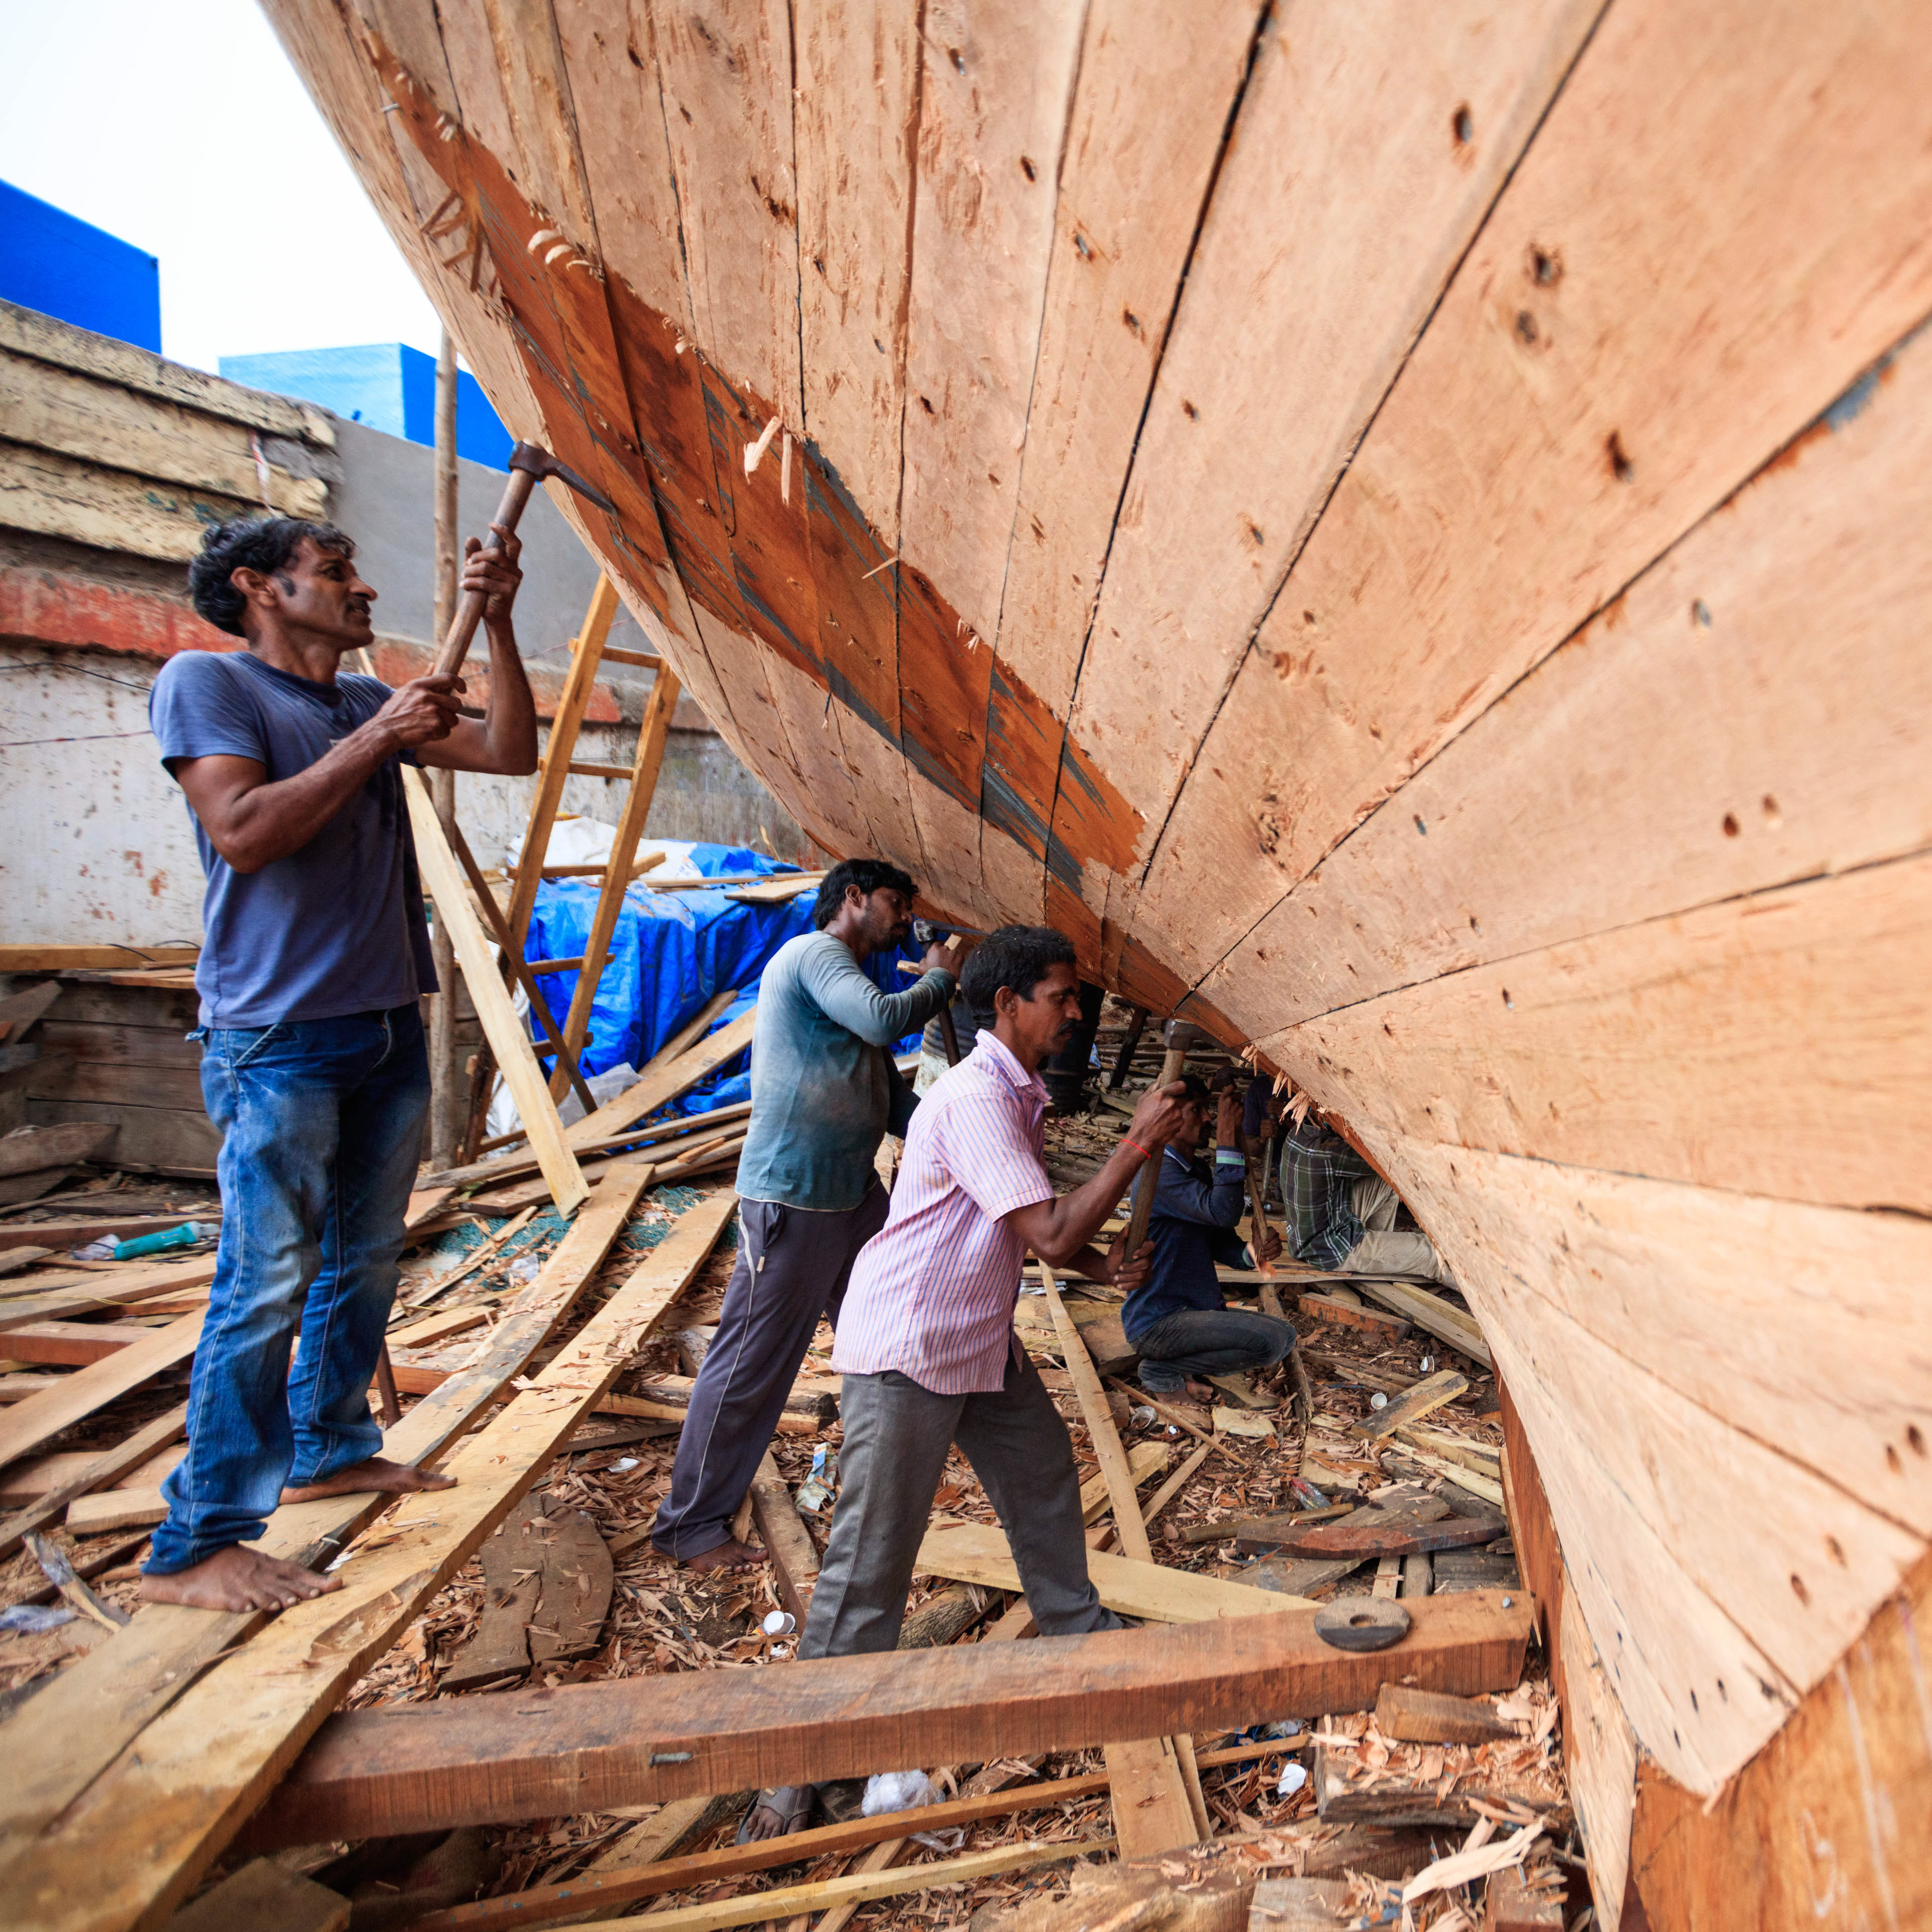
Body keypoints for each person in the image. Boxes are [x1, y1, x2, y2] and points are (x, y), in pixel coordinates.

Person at [142, 513, 540, 1614]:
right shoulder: (208, 684)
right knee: (266, 1277)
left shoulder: (364, 700)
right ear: (258, 588)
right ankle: (195, 1543)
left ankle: (326, 1446)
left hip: (383, 1023)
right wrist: (379, 738)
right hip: (277, 1035)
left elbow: (510, 751)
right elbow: (244, 831)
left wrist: (501, 624)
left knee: (362, 1257)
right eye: (334, 572)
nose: (361, 588)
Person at [737, 925, 1186, 1841]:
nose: (1075, 1011)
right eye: (1061, 996)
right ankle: (797, 1767)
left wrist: (1098, 1265)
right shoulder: (979, 1097)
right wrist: (1136, 1145)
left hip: (973, 1337)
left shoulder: (1016, 1094)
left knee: (1041, 1472)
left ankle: (1075, 1633)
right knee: (870, 1565)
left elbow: (1021, 1223)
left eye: (1075, 996)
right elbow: (1049, 1230)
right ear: (1008, 1004)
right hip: (911, 1346)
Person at [650, 858, 962, 1573]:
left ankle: (886, 1480)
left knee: (890, 1332)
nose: (906, 919)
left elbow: (889, 1099)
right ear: (852, 897)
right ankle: (689, 1526)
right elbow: (884, 1019)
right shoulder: (815, 955)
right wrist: (940, 980)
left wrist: (965, 1135)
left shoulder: (850, 983)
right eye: (895, 902)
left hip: (851, 1197)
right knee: (750, 1366)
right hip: (793, 1197)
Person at [1121, 1073, 1292, 1401]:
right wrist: (1228, 1138)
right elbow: (1223, 1212)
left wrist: (1254, 1254)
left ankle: (1178, 1366)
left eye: (1208, 1109)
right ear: (1170, 1118)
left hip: (1191, 1312)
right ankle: (1162, 1369)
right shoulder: (1157, 1174)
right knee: (1269, 1342)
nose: (1208, 1118)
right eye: (1197, 1110)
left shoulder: (1195, 1170)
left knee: (1285, 1336)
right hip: (1159, 1321)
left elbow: (1219, 1242)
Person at [1276, 1104, 1457, 1284]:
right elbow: (1389, 1161)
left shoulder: (1298, 1133)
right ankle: (1474, 1294)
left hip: (1313, 1232)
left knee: (1388, 1183)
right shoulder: (1329, 1151)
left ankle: (1381, 1253)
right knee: (1434, 1255)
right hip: (1330, 1249)